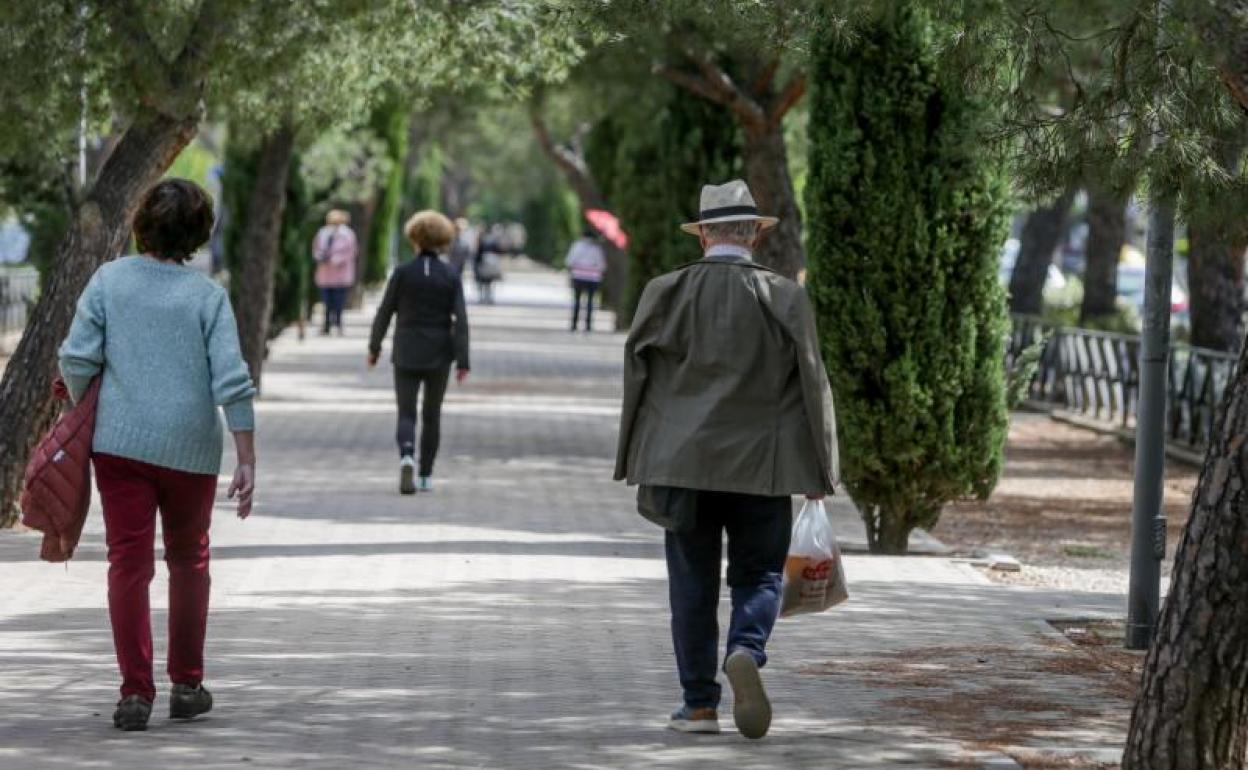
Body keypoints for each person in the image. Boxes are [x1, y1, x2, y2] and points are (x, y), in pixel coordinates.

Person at [614, 179, 839, 740]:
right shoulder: (786, 297)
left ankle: (697, 706)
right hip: (765, 464)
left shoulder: (663, 292)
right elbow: (814, 383)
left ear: (704, 237)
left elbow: (636, 375)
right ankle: (746, 648)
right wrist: (822, 468)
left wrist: (632, 458)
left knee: (690, 582)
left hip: (679, 462)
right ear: (755, 237)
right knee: (760, 573)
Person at [58, 179, 257, 732]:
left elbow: (76, 358)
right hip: (191, 447)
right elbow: (232, 381)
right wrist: (247, 455)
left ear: (141, 222)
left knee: (128, 562)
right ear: (198, 234)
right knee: (189, 560)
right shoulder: (207, 297)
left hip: (119, 446)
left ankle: (134, 693)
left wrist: (90, 406)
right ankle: (187, 685)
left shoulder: (109, 280)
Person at [368, 210, 471, 494]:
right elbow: (461, 320)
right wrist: (463, 360)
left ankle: (407, 455)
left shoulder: (402, 273)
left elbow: (384, 312)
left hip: (406, 349)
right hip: (440, 352)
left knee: (406, 412)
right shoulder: (450, 275)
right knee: (432, 414)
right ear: (443, 240)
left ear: (414, 238)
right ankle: (425, 474)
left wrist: (374, 347)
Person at [312, 209, 358, 336]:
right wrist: (320, 257)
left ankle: (338, 324)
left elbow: (351, 252)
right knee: (326, 301)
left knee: (338, 301)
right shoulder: (322, 233)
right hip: (325, 274)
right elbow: (316, 249)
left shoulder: (348, 234)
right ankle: (326, 325)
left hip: (340, 275)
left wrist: (337, 259)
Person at [564, 227, 607, 332]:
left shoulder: (577, 246)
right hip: (593, 278)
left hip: (578, 276)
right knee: (590, 302)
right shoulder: (597, 248)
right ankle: (588, 325)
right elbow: (602, 265)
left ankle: (574, 324)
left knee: (577, 301)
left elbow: (569, 261)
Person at [473, 224, 502, 304]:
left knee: (483, 281)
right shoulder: (494, 240)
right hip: (491, 264)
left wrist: (477, 263)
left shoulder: (482, 240)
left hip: (483, 263)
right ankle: (489, 297)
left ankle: (482, 297)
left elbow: (478, 253)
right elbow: (499, 251)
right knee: (490, 282)